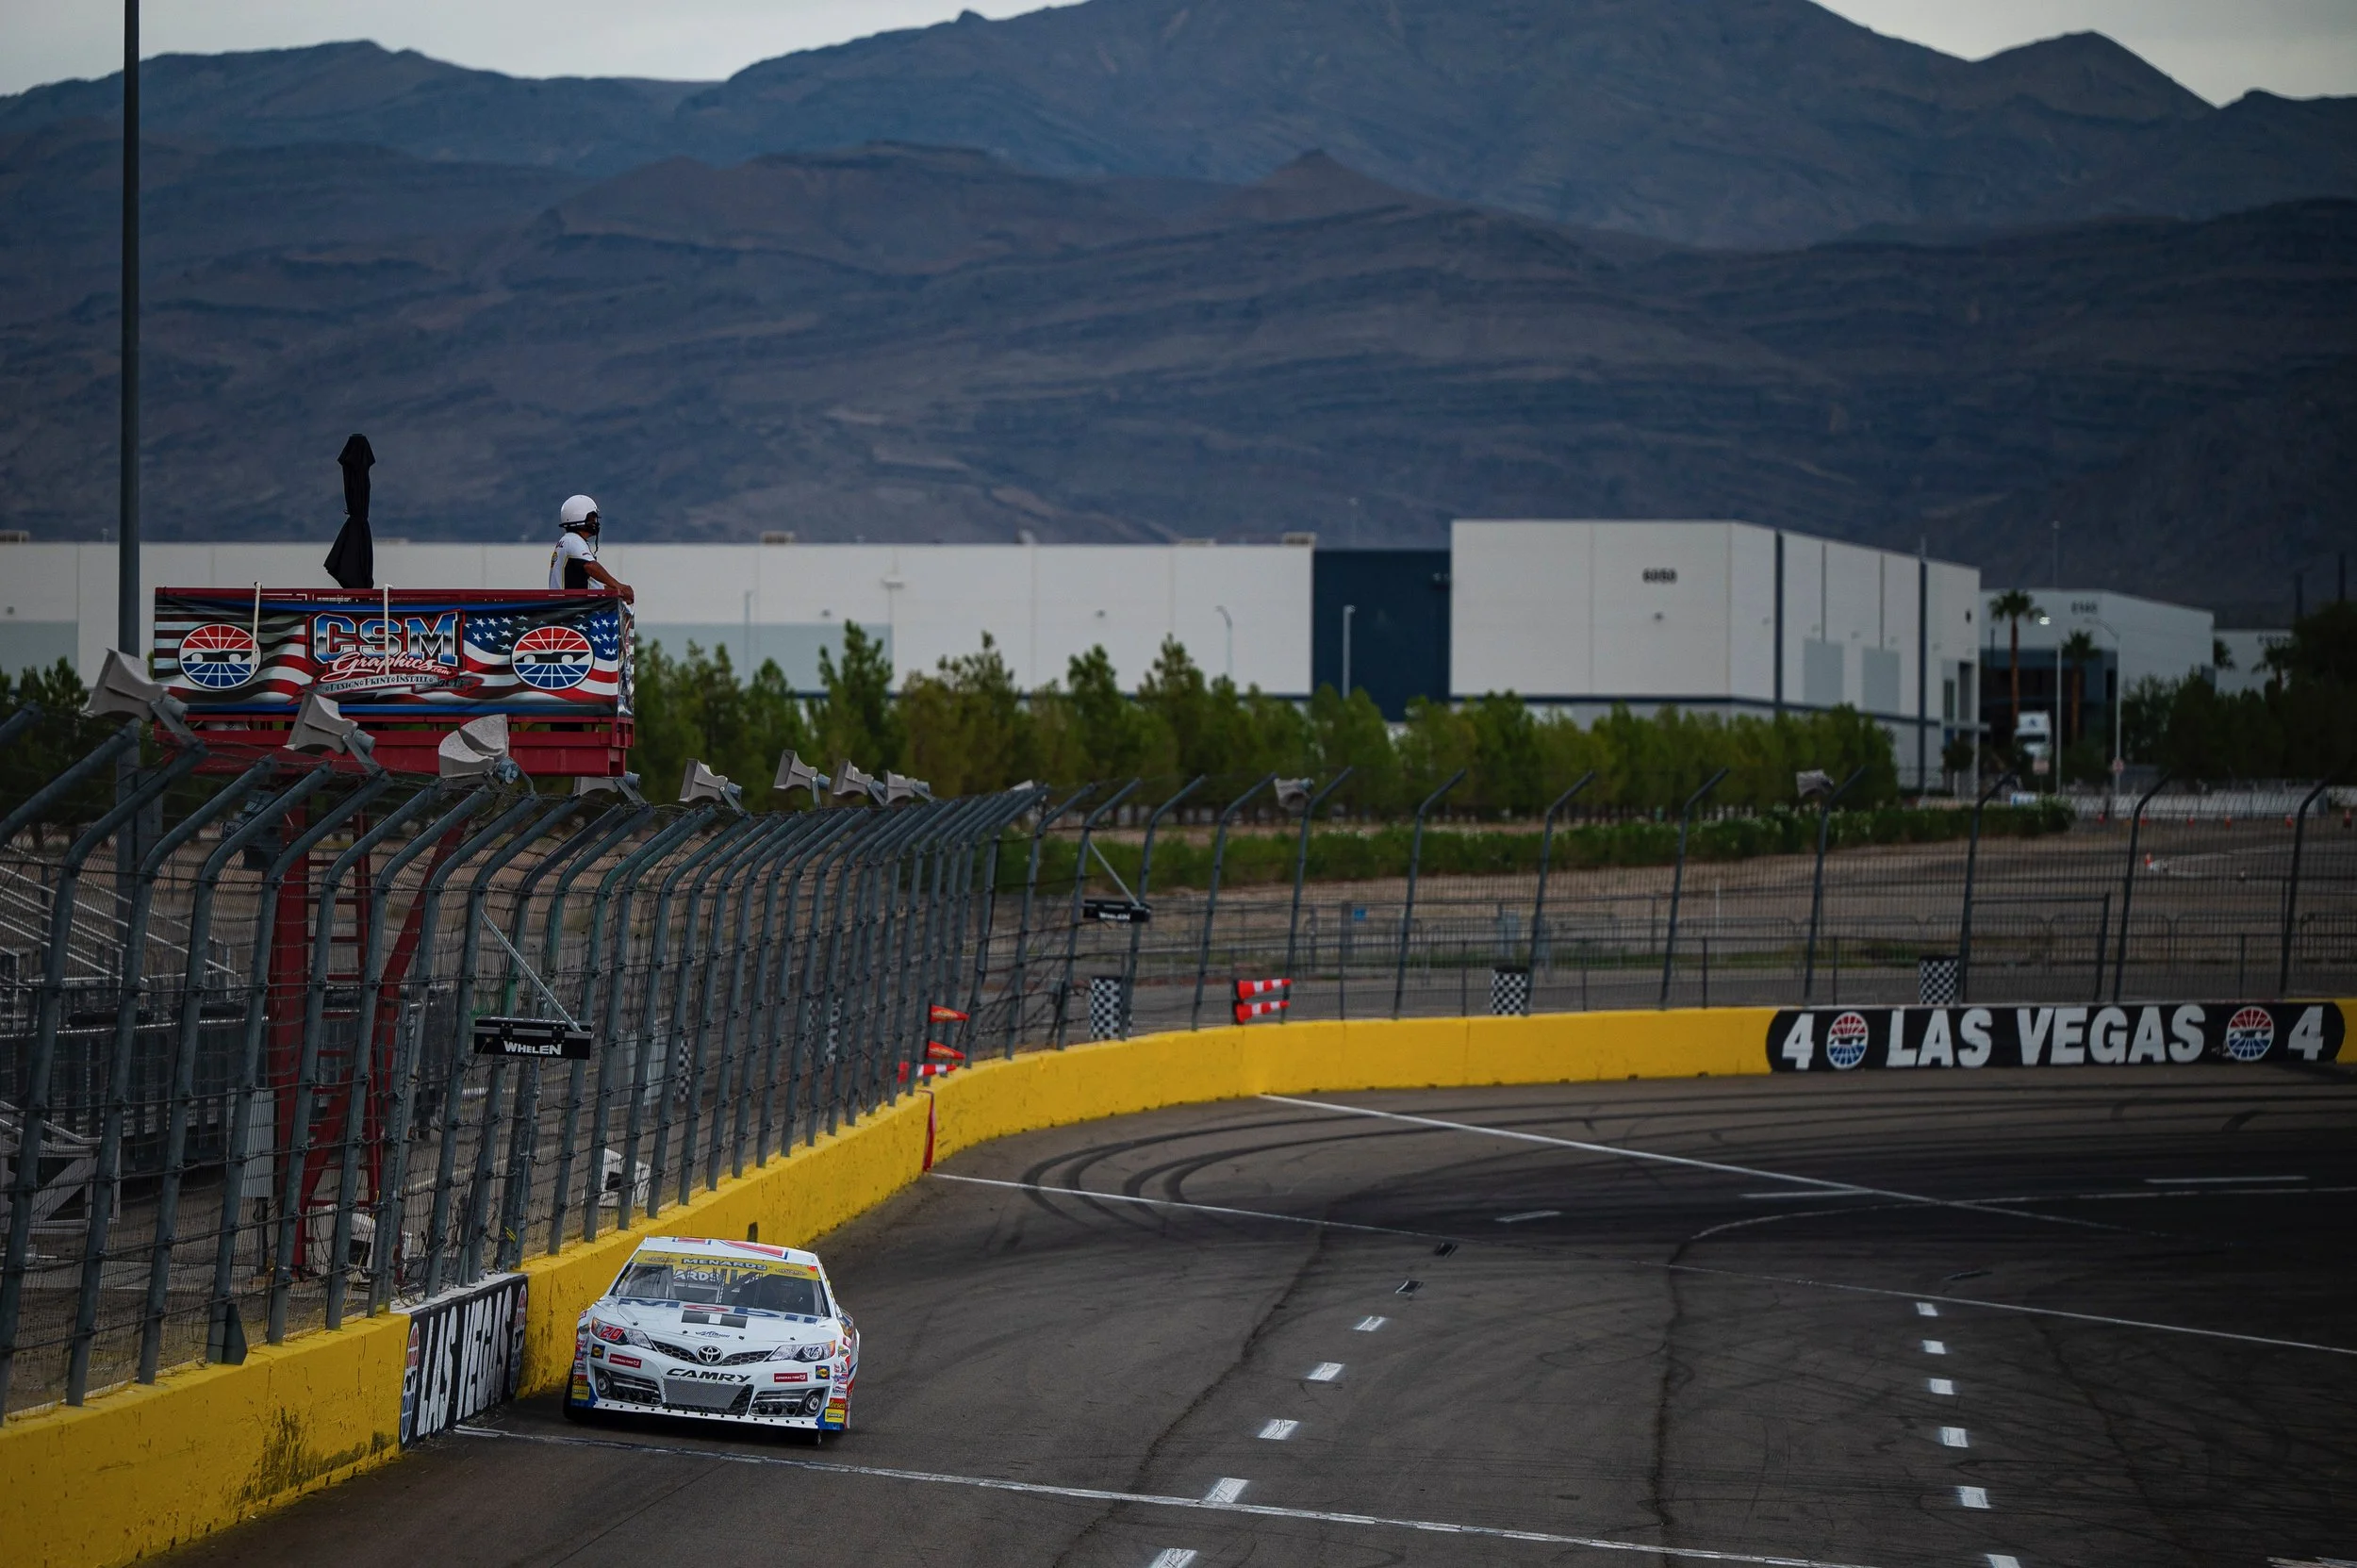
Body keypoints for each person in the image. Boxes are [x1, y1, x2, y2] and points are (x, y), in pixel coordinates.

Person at [548, 494, 635, 601]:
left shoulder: (568, 541)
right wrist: (619, 586)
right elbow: (590, 566)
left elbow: (590, 585)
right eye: (591, 518)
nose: (595, 522)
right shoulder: (573, 540)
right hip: (571, 608)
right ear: (579, 517)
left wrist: (617, 592)